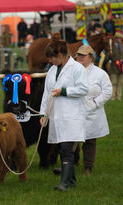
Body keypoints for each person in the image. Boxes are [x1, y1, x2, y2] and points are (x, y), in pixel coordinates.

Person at [40, 40, 88, 191]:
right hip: (56, 116)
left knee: (66, 150)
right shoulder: (52, 71)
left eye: (51, 57)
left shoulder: (77, 69)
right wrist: (44, 114)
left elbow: (83, 89)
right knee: (63, 147)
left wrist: (64, 91)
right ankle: (72, 181)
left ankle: (64, 183)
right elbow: (46, 94)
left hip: (72, 115)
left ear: (60, 55)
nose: (49, 60)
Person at [75, 45, 112, 176]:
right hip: (74, 111)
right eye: (78, 55)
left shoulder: (100, 74)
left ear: (91, 57)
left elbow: (108, 91)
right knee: (71, 139)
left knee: (89, 140)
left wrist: (95, 103)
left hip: (92, 113)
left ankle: (88, 167)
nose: (79, 57)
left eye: (83, 55)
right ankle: (68, 166)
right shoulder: (72, 72)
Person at [106, 32, 123, 100]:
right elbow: (109, 55)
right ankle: (113, 96)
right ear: (116, 39)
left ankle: (118, 96)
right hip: (114, 66)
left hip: (122, 67)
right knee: (114, 82)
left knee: (120, 82)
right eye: (119, 38)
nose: (120, 40)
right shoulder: (112, 46)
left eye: (121, 39)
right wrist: (116, 60)